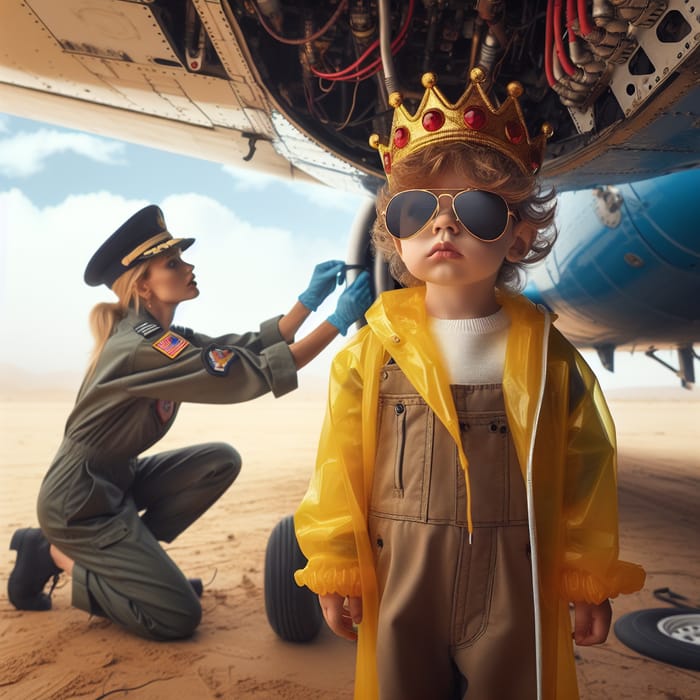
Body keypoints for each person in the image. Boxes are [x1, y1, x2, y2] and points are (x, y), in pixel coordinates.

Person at [293, 69, 646, 700]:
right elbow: (339, 465)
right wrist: (337, 563)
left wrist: (584, 574)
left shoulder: (549, 357)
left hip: (516, 573)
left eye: (477, 210)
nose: (443, 226)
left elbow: (586, 469)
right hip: (401, 567)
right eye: (416, 208)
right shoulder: (369, 352)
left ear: (519, 235)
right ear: (395, 234)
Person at [7, 203, 372, 641]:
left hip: (112, 481)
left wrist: (306, 303)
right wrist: (337, 321)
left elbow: (239, 349)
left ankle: (138, 567)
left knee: (219, 460)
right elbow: (244, 374)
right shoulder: (139, 346)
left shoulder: (161, 338)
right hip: (78, 504)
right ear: (144, 284)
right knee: (178, 616)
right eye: (173, 262)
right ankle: (53, 554)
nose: (189, 266)